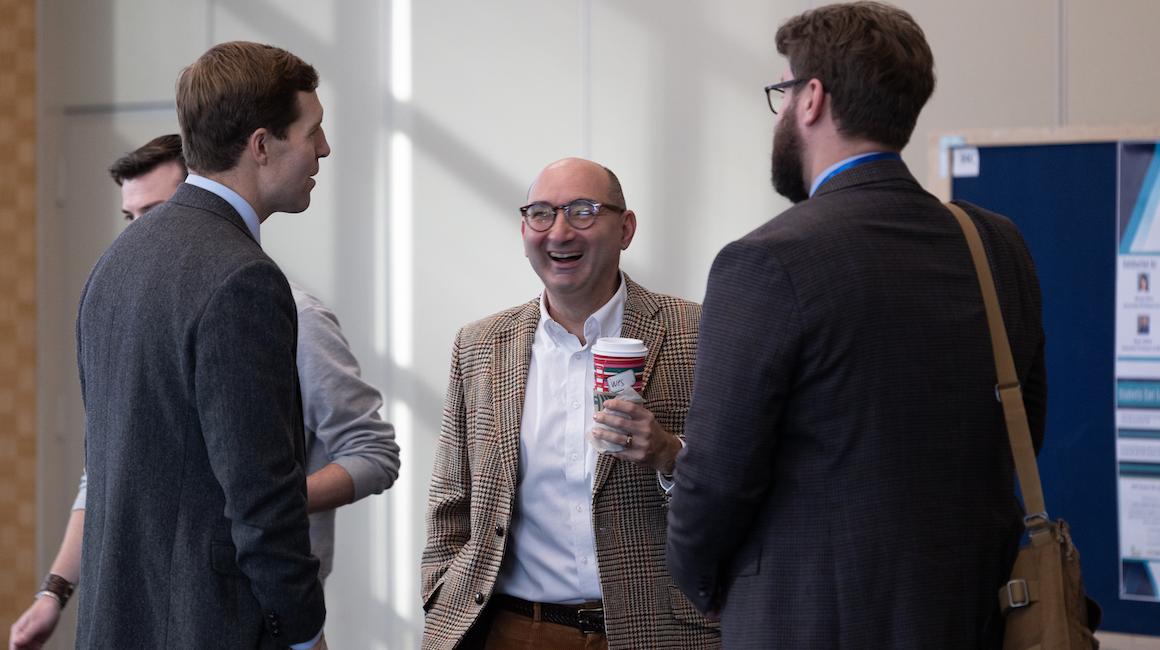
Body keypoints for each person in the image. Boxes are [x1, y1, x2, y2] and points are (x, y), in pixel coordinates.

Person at [666, 3, 1047, 648]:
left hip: (806, 623)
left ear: (811, 98)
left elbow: (714, 479)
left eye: (783, 92)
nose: (782, 112)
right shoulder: (995, 245)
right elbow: (1021, 435)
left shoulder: (764, 260)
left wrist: (701, 585)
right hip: (974, 619)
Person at [8, 135, 400, 649]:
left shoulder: (295, 316)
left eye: (156, 210)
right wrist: (54, 592)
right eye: (131, 218)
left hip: (251, 613)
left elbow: (373, 452)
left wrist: (266, 501)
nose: (144, 232)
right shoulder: (128, 306)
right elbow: (105, 471)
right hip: (136, 608)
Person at [73, 42, 334, 649]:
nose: (324, 149)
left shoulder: (115, 261)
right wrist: (304, 633)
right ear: (262, 145)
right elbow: (262, 497)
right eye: (313, 131)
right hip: (208, 626)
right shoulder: (244, 278)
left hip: (118, 623)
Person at [422, 158, 719, 649]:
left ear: (625, 229)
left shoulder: (697, 331)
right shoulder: (480, 346)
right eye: (541, 213)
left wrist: (671, 453)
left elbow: (749, 481)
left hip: (661, 634)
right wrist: (440, 591)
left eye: (583, 212)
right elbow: (451, 500)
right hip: (515, 631)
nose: (559, 232)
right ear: (524, 230)